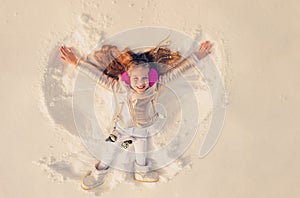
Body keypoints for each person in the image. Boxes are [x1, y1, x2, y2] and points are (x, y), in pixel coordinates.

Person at [59, 40, 212, 190]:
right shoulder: (118, 87)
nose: (141, 83)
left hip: (143, 129)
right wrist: (76, 62)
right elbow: (97, 76)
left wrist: (197, 56)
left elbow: (177, 72)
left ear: (150, 76)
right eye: (136, 79)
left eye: (144, 78)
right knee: (110, 151)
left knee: (141, 153)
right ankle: (98, 175)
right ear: (128, 78)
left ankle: (142, 173)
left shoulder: (156, 86)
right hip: (120, 129)